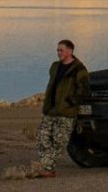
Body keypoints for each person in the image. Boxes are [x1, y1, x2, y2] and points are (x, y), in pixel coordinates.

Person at [30, 37, 89, 178]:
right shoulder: (55, 66)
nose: (58, 53)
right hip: (51, 110)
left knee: (59, 141)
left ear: (70, 51)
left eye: (61, 50)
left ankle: (47, 168)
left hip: (66, 112)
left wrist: (70, 102)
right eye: (57, 50)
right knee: (42, 137)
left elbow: (84, 90)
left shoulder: (79, 69)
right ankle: (45, 166)